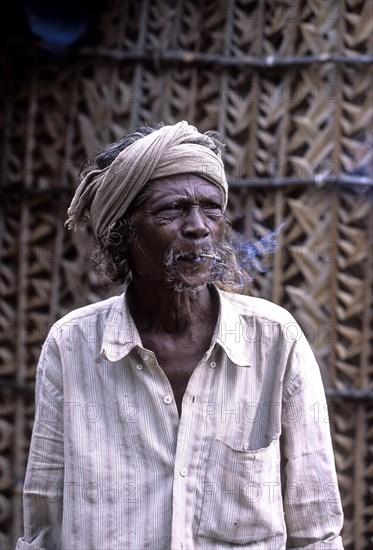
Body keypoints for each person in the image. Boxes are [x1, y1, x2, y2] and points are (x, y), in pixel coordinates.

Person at [16, 121, 344, 549]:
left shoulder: (275, 341)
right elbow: (44, 526)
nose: (198, 227)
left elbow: (316, 528)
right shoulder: (72, 346)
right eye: (171, 210)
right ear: (123, 233)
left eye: (211, 209)